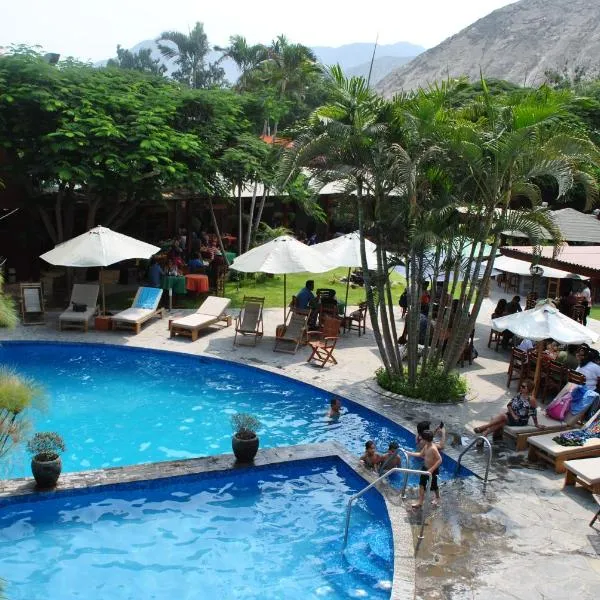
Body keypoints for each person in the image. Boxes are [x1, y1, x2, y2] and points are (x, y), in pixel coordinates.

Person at [473, 379, 544, 438]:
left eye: (523, 387)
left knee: (502, 416)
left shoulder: (531, 400)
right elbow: (509, 405)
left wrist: (536, 424)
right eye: (521, 386)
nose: (521, 388)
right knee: (502, 422)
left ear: (529, 389)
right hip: (512, 416)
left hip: (520, 420)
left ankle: (483, 427)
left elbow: (533, 412)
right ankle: (485, 433)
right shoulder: (519, 395)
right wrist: (513, 415)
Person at [406, 430, 443, 508]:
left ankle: (437, 497)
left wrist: (432, 469)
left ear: (425, 439)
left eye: (422, 439)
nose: (420, 440)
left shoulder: (433, 448)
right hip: (425, 468)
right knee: (421, 484)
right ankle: (420, 502)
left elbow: (440, 460)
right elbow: (420, 454)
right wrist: (410, 453)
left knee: (434, 485)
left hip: (432, 470)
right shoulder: (426, 446)